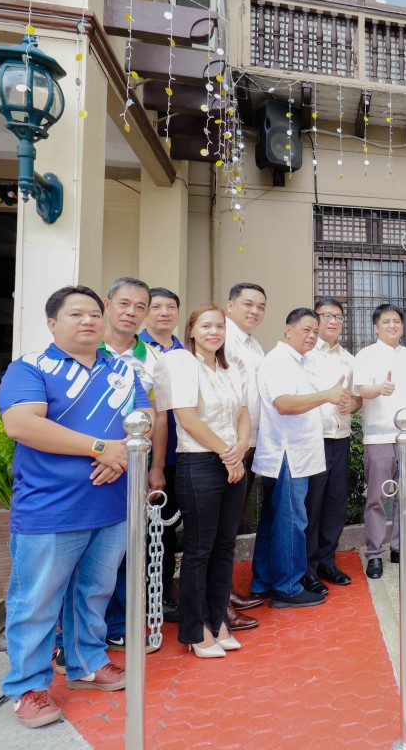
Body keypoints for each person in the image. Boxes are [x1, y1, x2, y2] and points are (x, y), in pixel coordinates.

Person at [0, 285, 151, 728]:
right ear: (52, 323)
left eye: (93, 315)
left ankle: (87, 663)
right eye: (75, 314)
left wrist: (121, 457)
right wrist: (102, 446)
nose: (88, 321)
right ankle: (28, 686)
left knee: (95, 591)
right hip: (51, 508)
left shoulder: (121, 369)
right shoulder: (31, 366)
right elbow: (22, 424)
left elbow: (143, 421)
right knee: (37, 600)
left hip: (111, 502)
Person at [155, 304, 250, 657]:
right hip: (199, 464)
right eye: (206, 326)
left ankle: (217, 619)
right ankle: (195, 631)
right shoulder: (182, 364)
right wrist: (229, 453)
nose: (214, 332)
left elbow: (244, 413)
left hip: (233, 461)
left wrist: (240, 448)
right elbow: (187, 419)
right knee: (199, 550)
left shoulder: (230, 367)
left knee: (226, 546)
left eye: (220, 327)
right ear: (191, 331)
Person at [251, 308, 347, 607]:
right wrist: (326, 395)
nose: (312, 336)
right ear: (288, 330)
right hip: (287, 453)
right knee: (292, 521)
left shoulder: (297, 361)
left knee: (274, 520)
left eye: (315, 332)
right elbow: (284, 404)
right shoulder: (280, 361)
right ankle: (288, 588)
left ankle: (264, 581)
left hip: (294, 452)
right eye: (306, 329)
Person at [99, 277, 166, 651]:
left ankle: (120, 622)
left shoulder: (153, 359)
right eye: (125, 304)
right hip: (93, 465)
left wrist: (155, 467)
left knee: (128, 548)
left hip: (134, 467)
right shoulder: (88, 350)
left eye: (140, 307)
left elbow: (157, 416)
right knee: (91, 552)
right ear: (108, 304)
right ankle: (78, 632)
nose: (132, 313)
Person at [353, 304, 406, 579]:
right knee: (376, 498)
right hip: (379, 437)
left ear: (403, 326)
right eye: (386, 322)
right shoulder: (365, 355)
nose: (392, 325)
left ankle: (401, 549)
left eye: (396, 321)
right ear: (376, 327)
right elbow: (361, 390)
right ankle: (374, 554)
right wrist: (379, 389)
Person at [304, 297, 362, 591]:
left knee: (335, 503)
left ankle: (327, 559)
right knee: (311, 504)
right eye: (326, 316)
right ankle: (308, 566)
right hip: (312, 439)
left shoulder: (349, 359)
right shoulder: (303, 355)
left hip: (340, 438)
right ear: (315, 319)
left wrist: (351, 404)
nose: (332, 321)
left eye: (338, 317)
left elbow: (358, 399)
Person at [223, 283, 270, 624]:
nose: (254, 311)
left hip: (250, 442)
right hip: (228, 446)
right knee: (220, 526)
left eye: (260, 307)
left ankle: (224, 592)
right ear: (230, 306)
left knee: (232, 522)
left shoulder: (254, 344)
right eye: (248, 304)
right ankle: (218, 603)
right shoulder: (222, 337)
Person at [140, 287, 184, 622]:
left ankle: (163, 593)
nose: (164, 313)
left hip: (182, 453)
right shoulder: (136, 352)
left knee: (167, 530)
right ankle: (139, 598)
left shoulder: (186, 351)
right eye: (157, 307)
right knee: (142, 531)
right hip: (145, 459)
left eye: (171, 307)